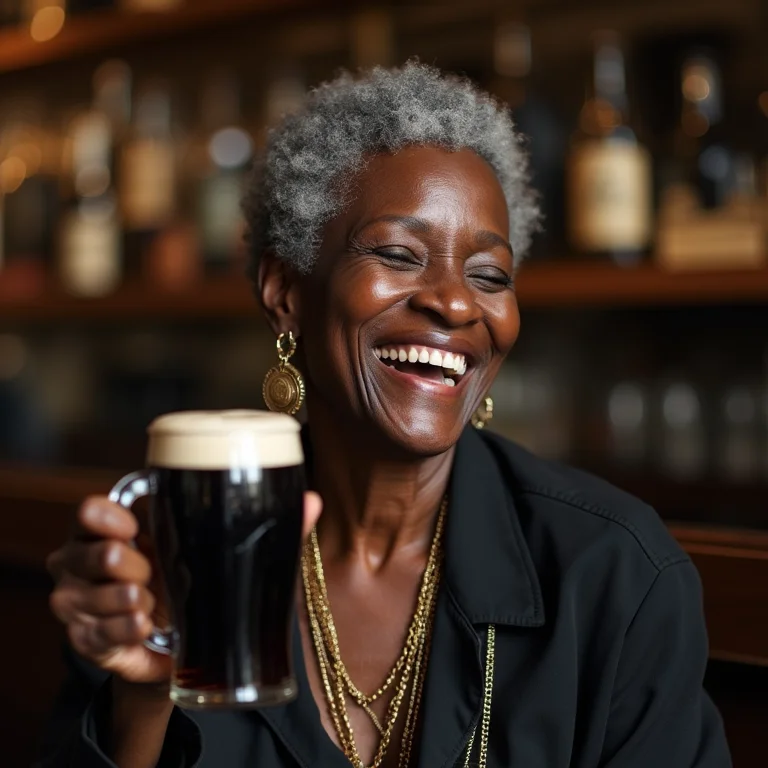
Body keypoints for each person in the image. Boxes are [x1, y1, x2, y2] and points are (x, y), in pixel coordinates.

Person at [40, 62, 731, 768]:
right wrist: (147, 696)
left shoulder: (614, 573)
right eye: (400, 255)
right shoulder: (175, 553)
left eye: (489, 275)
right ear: (285, 290)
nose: (457, 304)